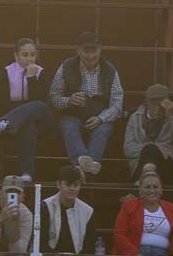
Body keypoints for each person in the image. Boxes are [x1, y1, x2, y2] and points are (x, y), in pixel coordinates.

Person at [49, 31, 124, 178]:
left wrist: (101, 119)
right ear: (78, 50)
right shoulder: (66, 66)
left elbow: (117, 104)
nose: (90, 56)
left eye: (94, 51)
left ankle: (80, 170)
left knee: (103, 131)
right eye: (86, 51)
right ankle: (87, 167)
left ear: (100, 49)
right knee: (68, 126)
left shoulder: (110, 70)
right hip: (73, 115)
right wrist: (69, 100)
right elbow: (53, 97)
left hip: (100, 116)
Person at [0, 38, 57, 184]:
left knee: (38, 105)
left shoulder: (41, 72)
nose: (29, 59)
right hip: (24, 124)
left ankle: (5, 123)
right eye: (25, 55)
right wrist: (22, 113)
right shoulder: (6, 72)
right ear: (16, 55)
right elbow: (0, 102)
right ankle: (27, 173)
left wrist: (32, 78)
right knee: (27, 127)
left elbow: (41, 101)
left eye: (32, 55)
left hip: (42, 121)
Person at [124, 83, 173, 185]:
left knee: (152, 150)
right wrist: (150, 150)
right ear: (146, 103)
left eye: (160, 103)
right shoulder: (135, 118)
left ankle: (140, 184)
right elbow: (128, 148)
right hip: (140, 164)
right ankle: (147, 177)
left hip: (169, 164)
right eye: (152, 103)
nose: (157, 107)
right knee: (150, 149)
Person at [113, 171, 173, 256]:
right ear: (140, 190)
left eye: (156, 187)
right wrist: (135, 254)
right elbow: (119, 234)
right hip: (135, 254)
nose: (152, 190)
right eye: (147, 187)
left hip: (164, 255)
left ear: (161, 190)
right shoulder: (129, 205)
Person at [39, 165, 96, 255]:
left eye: (76, 185)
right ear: (58, 184)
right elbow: (40, 244)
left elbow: (89, 247)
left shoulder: (88, 211)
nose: (72, 189)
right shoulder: (45, 206)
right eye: (68, 184)